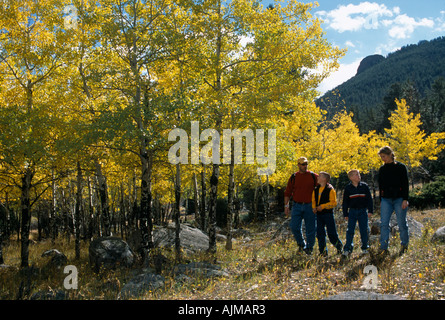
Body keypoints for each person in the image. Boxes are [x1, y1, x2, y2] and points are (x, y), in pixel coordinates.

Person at [377, 146, 410, 256]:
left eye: (384, 156)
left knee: (401, 223)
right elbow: (380, 185)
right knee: (384, 224)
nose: (383, 159)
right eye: (381, 157)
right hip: (386, 199)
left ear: (390, 154)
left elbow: (405, 184)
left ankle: (404, 245)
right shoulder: (382, 169)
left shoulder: (401, 167)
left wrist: (405, 199)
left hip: (399, 198)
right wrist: (381, 199)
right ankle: (384, 247)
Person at [284, 157, 318, 255]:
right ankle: (302, 244)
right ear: (298, 165)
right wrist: (286, 206)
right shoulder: (294, 177)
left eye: (306, 164)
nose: (305, 166)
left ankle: (309, 248)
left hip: (310, 206)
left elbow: (324, 185)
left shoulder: (313, 176)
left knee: (310, 228)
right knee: (294, 227)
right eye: (303, 164)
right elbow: (287, 192)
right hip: (297, 205)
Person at [342, 169, 373, 257]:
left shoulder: (364, 186)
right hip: (352, 211)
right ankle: (347, 249)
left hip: (363, 211)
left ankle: (365, 248)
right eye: (356, 175)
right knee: (350, 230)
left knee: (364, 229)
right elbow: (345, 202)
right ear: (351, 178)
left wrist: (370, 210)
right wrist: (345, 214)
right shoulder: (348, 188)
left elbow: (369, 199)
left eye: (359, 174)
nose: (358, 176)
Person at [312, 171, 343, 256]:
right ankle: (323, 252)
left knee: (331, 233)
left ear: (325, 179)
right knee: (320, 234)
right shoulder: (316, 189)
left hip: (328, 214)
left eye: (320, 176)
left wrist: (323, 206)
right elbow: (313, 200)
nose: (317, 178)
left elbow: (334, 203)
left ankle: (340, 248)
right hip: (318, 215)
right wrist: (314, 207)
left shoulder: (330, 189)